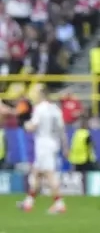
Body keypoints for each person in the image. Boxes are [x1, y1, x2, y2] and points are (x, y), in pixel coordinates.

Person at [19, 85, 68, 214]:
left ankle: (59, 204)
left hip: (43, 145)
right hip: (54, 144)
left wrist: (25, 125)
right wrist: (65, 147)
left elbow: (33, 126)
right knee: (36, 173)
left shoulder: (40, 109)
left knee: (49, 174)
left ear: (41, 95)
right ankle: (28, 202)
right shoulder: (56, 109)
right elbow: (62, 130)